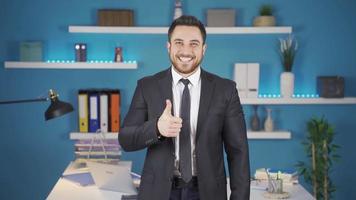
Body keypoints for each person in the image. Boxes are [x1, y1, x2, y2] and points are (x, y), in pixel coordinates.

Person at [119, 15, 250, 200]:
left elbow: (238, 152)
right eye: (179, 42)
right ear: (169, 47)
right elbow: (125, 139)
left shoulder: (226, 90)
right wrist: (157, 128)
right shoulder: (146, 86)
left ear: (204, 49)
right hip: (158, 193)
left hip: (208, 192)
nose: (186, 50)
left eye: (194, 43)